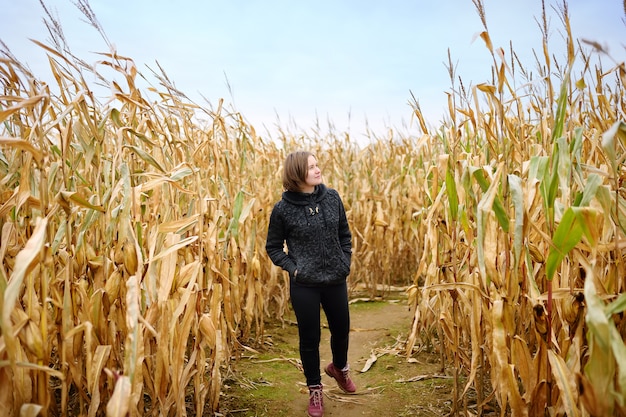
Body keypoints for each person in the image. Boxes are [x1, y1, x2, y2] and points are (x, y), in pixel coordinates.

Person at [265, 150, 356, 417]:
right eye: (311, 167)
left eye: (317, 165)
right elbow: (273, 247)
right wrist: (294, 269)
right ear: (296, 175)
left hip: (335, 279)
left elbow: (344, 234)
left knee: (341, 329)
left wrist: (345, 259)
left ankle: (339, 367)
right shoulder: (282, 210)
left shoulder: (332, 198)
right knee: (310, 338)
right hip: (305, 284)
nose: (318, 170)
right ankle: (315, 389)